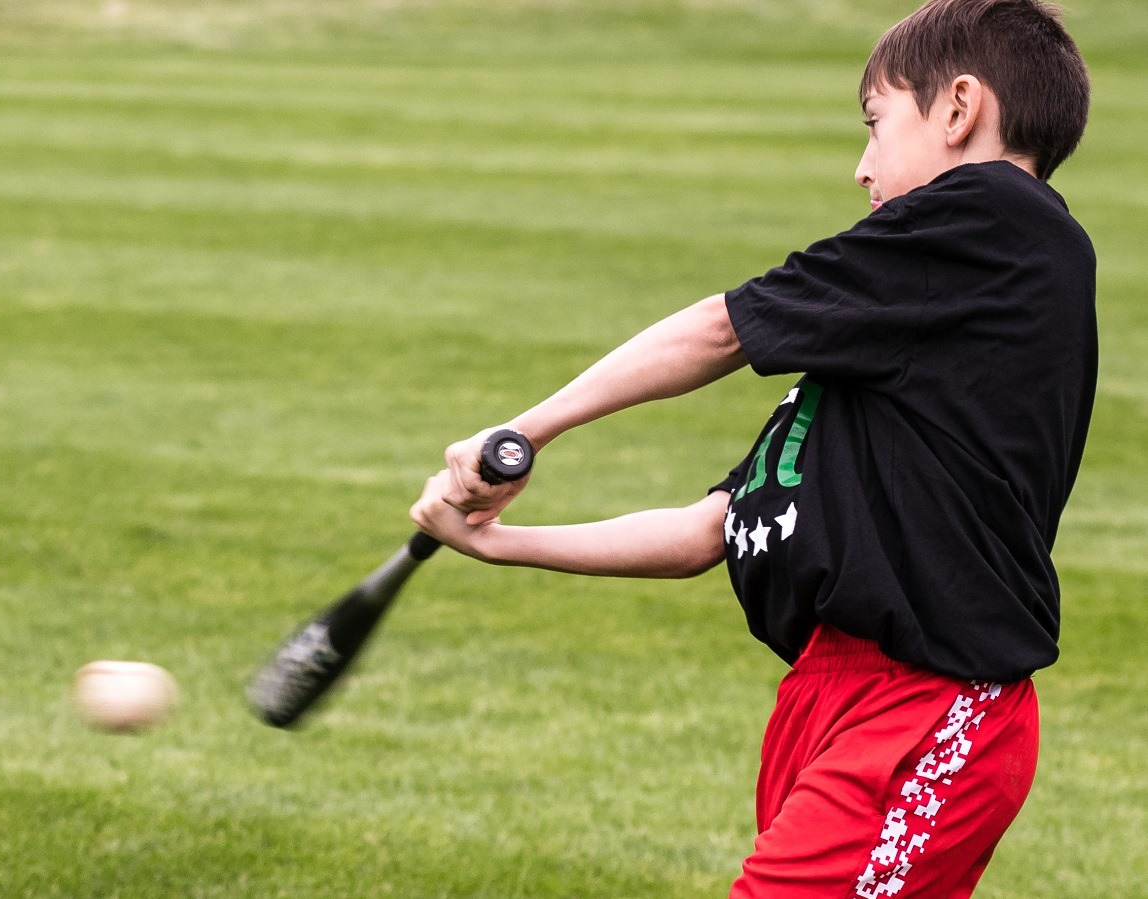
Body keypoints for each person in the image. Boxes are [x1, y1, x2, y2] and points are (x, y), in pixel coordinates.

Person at [408, 0, 1092, 895]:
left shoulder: (996, 217)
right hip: (832, 692)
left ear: (959, 108)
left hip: (930, 701)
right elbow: (711, 530)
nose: (861, 167)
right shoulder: (893, 348)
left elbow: (721, 331)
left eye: (876, 125)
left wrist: (527, 429)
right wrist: (498, 544)